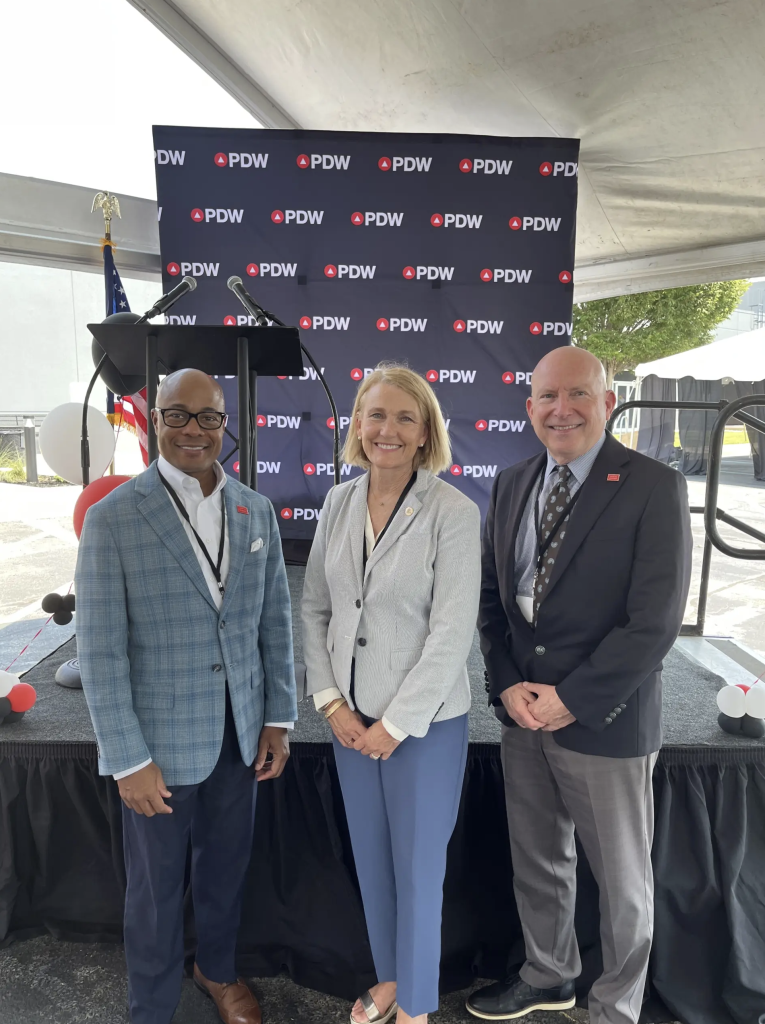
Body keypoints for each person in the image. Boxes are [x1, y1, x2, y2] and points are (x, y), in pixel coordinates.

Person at [469, 347, 691, 1024]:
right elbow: (490, 601)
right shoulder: (510, 483)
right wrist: (507, 687)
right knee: (538, 860)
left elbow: (652, 622)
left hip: (602, 717)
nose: (559, 410)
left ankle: (614, 1007)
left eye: (576, 396)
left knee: (622, 883)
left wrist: (570, 698)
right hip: (522, 716)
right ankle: (547, 975)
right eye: (545, 397)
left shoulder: (652, 485)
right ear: (528, 406)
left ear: (607, 402)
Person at [75, 369, 297, 1024]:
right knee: (153, 893)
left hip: (243, 732)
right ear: (153, 421)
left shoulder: (253, 510)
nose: (193, 430)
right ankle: (150, 1005)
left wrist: (277, 719)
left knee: (225, 871)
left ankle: (217, 971)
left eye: (207, 417)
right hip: (158, 747)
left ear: (225, 424)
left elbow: (272, 624)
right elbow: (100, 651)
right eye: (177, 415)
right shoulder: (113, 519)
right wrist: (126, 757)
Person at [301, 364, 480, 1024]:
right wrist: (330, 703)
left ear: (426, 431)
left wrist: (395, 724)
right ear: (356, 424)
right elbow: (315, 608)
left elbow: (451, 632)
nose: (388, 429)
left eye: (405, 417)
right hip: (349, 720)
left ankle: (417, 1008)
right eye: (375, 415)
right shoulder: (338, 502)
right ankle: (389, 979)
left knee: (416, 872)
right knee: (373, 864)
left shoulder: (453, 513)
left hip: (425, 727)